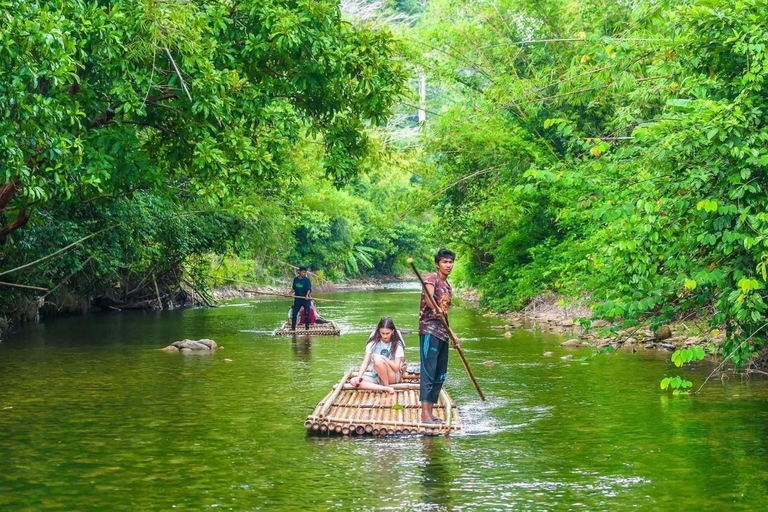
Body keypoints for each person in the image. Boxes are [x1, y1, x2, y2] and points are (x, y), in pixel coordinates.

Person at [419, 248, 459, 425]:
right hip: (429, 330)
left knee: (439, 373)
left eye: (450, 262)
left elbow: (445, 314)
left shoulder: (448, 286)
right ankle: (424, 414)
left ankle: (431, 412)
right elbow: (429, 298)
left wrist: (453, 335)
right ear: (437, 264)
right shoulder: (431, 278)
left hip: (443, 333)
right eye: (445, 262)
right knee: (428, 372)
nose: (448, 265)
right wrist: (433, 307)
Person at [349, 317, 407, 394]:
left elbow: (396, 368)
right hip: (377, 374)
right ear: (379, 332)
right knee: (353, 381)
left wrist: (384, 358)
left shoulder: (397, 344)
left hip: (392, 375)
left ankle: (386, 385)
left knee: (377, 359)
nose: (385, 336)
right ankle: (385, 388)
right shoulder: (373, 343)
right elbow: (365, 362)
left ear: (392, 331)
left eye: (387, 333)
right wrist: (359, 377)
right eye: (382, 333)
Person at [286, 266, 312, 331]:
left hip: (305, 300)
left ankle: (307, 328)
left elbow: (309, 289)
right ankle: (293, 328)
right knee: (294, 314)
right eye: (303, 272)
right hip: (297, 299)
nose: (304, 273)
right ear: (299, 272)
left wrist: (307, 295)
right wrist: (289, 294)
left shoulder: (306, 280)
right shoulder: (295, 279)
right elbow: (294, 288)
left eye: (305, 272)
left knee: (306, 314)